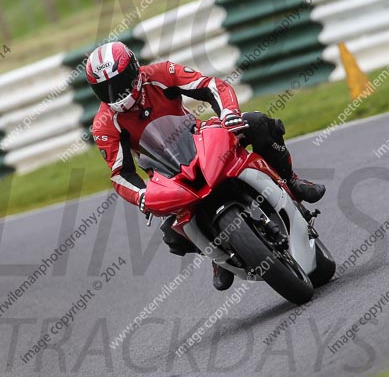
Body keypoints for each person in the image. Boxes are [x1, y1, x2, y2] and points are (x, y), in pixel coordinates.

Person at [88, 42, 325, 291]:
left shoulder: (160, 73)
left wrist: (229, 113)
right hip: (165, 173)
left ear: (135, 69)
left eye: (121, 81)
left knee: (257, 123)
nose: (117, 93)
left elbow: (210, 85)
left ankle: (292, 181)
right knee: (172, 236)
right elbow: (120, 173)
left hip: (199, 141)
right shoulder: (104, 124)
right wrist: (142, 196)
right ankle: (216, 253)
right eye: (106, 90)